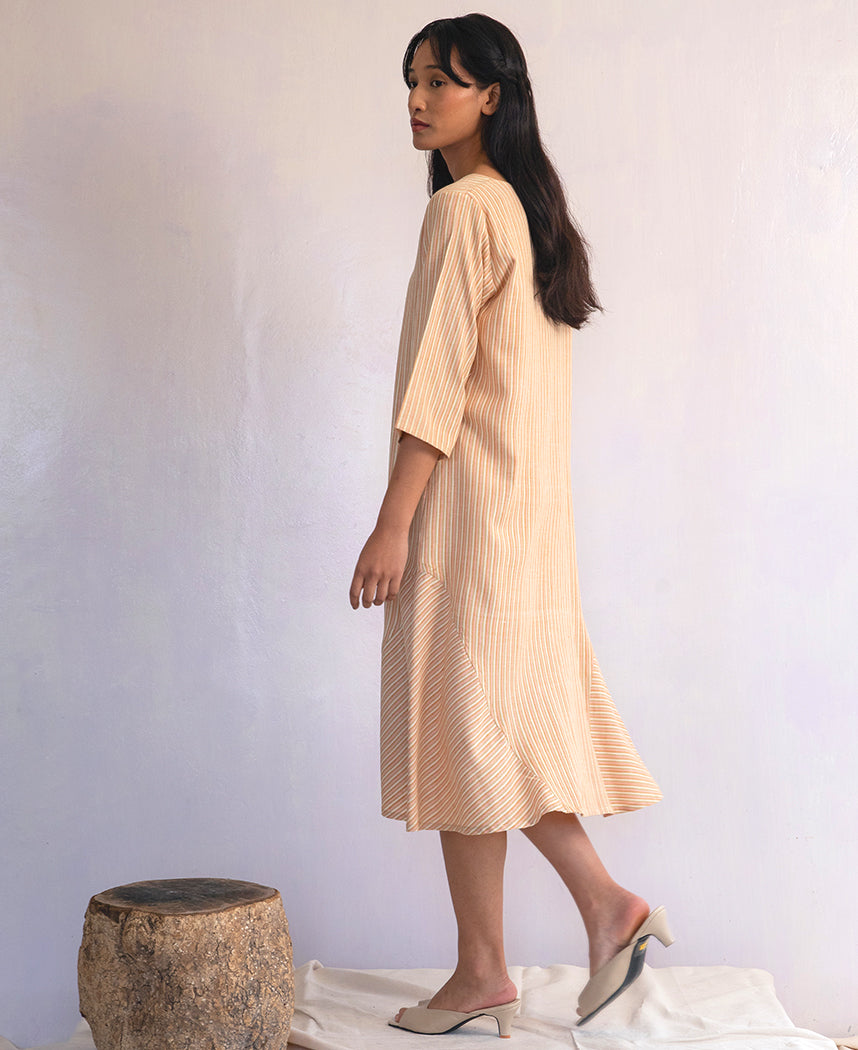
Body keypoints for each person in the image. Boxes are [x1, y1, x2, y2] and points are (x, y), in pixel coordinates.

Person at [349, 13, 672, 1037]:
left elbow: (436, 381)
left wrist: (393, 522)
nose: (417, 100)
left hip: (463, 519)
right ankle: (488, 966)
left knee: (471, 734)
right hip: (524, 523)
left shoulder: (463, 211)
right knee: (483, 734)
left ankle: (601, 908)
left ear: (491, 95)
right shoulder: (529, 214)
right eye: (411, 80)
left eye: (440, 81)